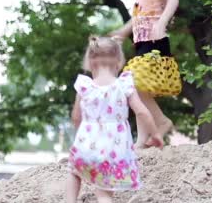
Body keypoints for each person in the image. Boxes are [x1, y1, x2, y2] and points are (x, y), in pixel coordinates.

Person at [65, 36, 163, 203]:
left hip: (86, 147)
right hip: (113, 152)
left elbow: (76, 117)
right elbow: (142, 112)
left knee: (74, 173)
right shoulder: (123, 84)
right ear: (118, 60)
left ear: (90, 61)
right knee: (103, 195)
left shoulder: (84, 85)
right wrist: (155, 134)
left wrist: (81, 138)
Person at [110, 0, 182, 139]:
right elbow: (139, 16)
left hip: (155, 41)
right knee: (138, 91)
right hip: (143, 42)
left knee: (133, 84)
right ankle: (142, 139)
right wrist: (123, 32)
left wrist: (162, 23)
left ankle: (161, 122)